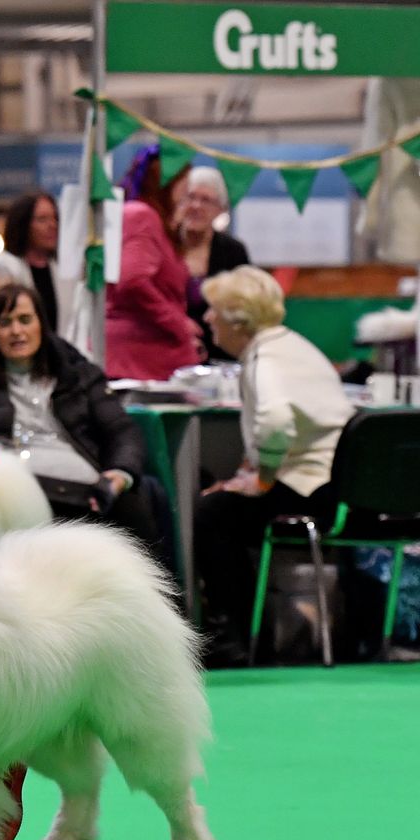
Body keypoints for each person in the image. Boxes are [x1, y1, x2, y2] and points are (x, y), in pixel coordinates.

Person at [193, 265, 354, 667]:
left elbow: (277, 422)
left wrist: (261, 481)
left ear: (236, 319)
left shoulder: (264, 358)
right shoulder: (295, 345)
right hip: (344, 488)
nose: (207, 318)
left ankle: (246, 639)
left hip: (310, 491)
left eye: (213, 310)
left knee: (213, 514)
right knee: (226, 503)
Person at [0, 283, 162, 554]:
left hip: (87, 489)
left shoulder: (76, 371)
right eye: (5, 323)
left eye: (25, 320)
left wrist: (121, 474)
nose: (16, 331)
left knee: (133, 508)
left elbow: (122, 430)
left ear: (41, 323)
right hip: (13, 488)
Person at [106, 144, 202, 381]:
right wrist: (178, 324)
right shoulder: (141, 215)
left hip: (150, 362)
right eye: (184, 184)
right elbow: (131, 281)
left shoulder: (154, 221)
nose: (187, 195)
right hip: (136, 365)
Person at [180, 166, 251, 363]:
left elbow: (243, 306)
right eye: (190, 197)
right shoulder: (164, 244)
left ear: (220, 209)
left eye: (206, 200)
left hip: (221, 355)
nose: (196, 205)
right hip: (169, 350)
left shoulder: (233, 251)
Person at [2, 189, 76, 337]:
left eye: (55, 218)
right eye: (42, 219)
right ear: (23, 224)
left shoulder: (67, 273)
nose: (52, 225)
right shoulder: (4, 269)